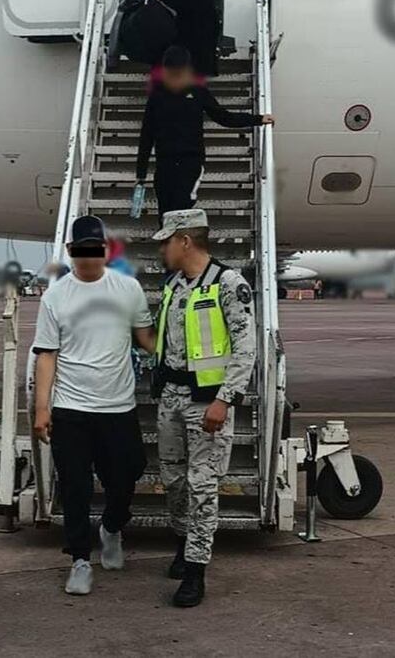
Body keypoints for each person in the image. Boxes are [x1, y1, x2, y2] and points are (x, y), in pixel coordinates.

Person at [31, 215, 155, 596]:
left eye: (94, 249)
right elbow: (47, 355)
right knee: (75, 486)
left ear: (104, 250)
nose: (87, 257)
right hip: (71, 408)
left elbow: (146, 339)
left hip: (118, 406)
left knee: (127, 475)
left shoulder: (127, 289)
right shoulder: (56, 296)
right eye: (80, 251)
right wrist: (41, 408)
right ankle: (80, 560)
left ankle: (113, 527)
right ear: (70, 252)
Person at [151, 208, 256, 607]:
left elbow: (245, 348)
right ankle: (183, 541)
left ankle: (196, 569)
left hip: (206, 402)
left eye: (166, 241)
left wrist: (224, 399)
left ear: (185, 241)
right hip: (172, 399)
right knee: (173, 480)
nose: (162, 249)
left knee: (202, 485)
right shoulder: (174, 285)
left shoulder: (228, 283)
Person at [136, 46, 274, 223]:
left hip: (190, 161)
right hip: (165, 162)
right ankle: (169, 247)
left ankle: (181, 245)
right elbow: (146, 135)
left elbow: (223, 117)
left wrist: (258, 119)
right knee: (165, 211)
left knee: (182, 208)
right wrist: (141, 172)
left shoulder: (198, 92)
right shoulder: (157, 97)